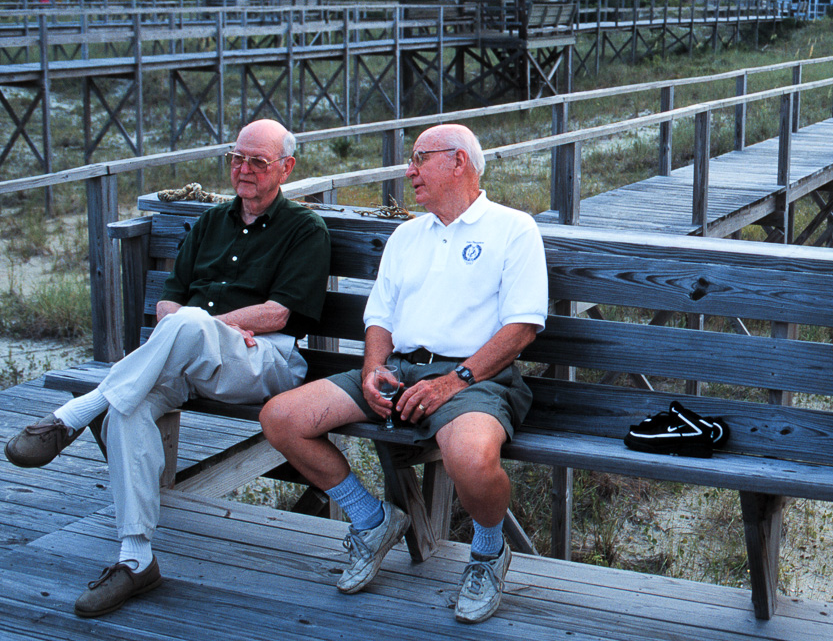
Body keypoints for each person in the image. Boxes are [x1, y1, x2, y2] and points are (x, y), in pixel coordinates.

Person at [4, 119, 330, 617]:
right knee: (127, 413)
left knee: (192, 324)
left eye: (257, 162)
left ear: (286, 168)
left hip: (264, 362)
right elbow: (168, 304)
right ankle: (136, 559)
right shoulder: (210, 222)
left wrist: (210, 327)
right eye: (236, 158)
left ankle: (74, 413)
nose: (243, 170)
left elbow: (279, 313)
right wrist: (200, 328)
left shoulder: (305, 229)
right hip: (188, 358)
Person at [259, 123, 547, 624]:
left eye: (419, 158)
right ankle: (371, 521)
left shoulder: (512, 228)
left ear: (458, 162)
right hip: (399, 370)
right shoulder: (407, 235)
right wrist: (372, 369)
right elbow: (380, 319)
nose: (409, 171)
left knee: (471, 460)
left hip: (475, 378)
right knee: (282, 418)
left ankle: (487, 552)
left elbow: (522, 328)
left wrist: (452, 381)